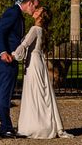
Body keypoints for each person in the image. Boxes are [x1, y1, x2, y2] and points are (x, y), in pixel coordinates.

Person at [12, 7, 74, 138]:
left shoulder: (34, 29)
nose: (34, 11)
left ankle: (35, 126)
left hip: (33, 63)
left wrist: (13, 55)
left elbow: (25, 45)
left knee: (34, 93)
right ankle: (43, 124)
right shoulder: (41, 31)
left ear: (41, 16)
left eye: (38, 11)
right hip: (38, 61)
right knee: (40, 93)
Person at [0, 0, 40, 138]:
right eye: (35, 6)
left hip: (12, 58)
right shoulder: (13, 12)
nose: (34, 10)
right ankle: (5, 128)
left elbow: (13, 37)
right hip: (6, 59)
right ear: (29, 3)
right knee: (5, 93)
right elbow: (1, 33)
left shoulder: (19, 15)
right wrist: (3, 52)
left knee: (8, 92)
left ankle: (8, 127)